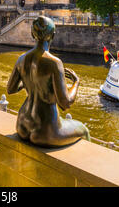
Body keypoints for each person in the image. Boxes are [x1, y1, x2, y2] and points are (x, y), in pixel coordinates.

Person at [7, 16, 90, 147]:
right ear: (53, 35)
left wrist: (29, 80)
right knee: (84, 130)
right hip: (45, 130)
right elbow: (65, 103)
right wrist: (76, 82)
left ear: (32, 34)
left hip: (22, 124)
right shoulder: (54, 63)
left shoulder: (21, 59)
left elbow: (10, 90)